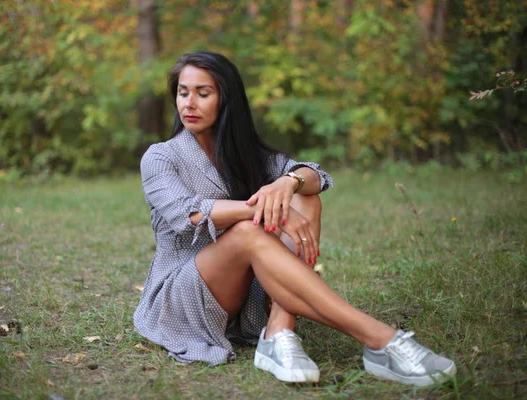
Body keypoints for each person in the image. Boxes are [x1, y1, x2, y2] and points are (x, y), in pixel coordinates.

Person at [133, 51, 456, 386]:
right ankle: (381, 339)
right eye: (183, 92)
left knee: (305, 197)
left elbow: (316, 176)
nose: (189, 103)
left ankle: (279, 331)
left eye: (203, 93)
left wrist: (289, 183)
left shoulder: (246, 155)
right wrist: (263, 211)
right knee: (246, 230)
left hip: (242, 296)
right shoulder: (160, 156)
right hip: (181, 297)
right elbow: (191, 214)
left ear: (226, 99)